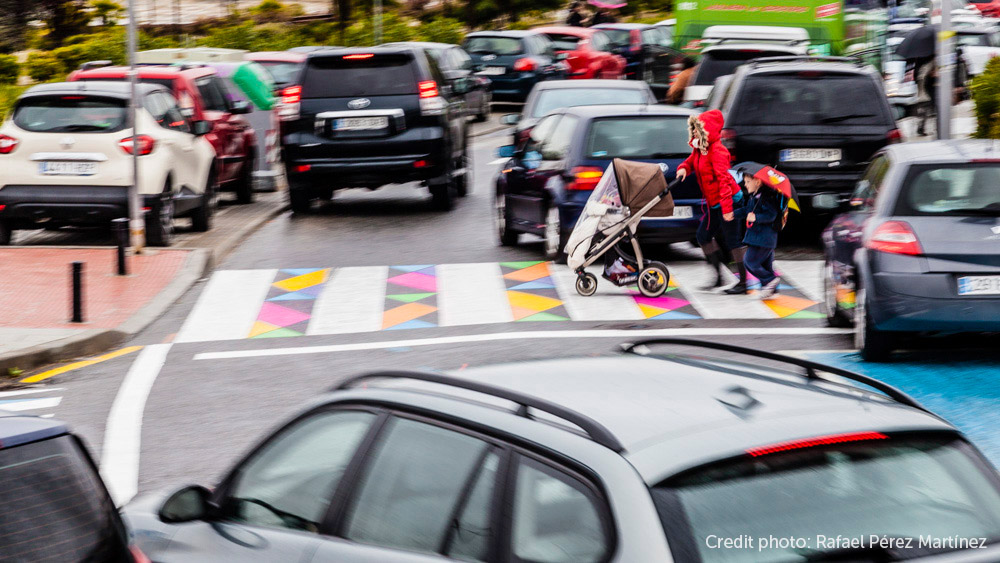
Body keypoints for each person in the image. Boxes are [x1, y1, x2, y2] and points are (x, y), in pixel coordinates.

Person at [675, 110, 741, 290]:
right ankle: (719, 276)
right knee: (702, 236)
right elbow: (690, 161)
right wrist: (683, 169)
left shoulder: (718, 152)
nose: (695, 133)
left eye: (698, 129)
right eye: (693, 129)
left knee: (732, 240)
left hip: (728, 201)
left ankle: (743, 281)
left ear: (708, 130)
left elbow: (724, 182)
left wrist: (727, 210)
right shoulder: (700, 149)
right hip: (714, 203)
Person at [733, 168, 786, 300]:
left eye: (747, 181)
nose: (745, 184)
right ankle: (772, 290)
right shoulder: (754, 196)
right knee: (765, 265)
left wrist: (756, 218)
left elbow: (771, 215)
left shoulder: (767, 196)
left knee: (749, 262)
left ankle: (769, 280)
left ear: (757, 181)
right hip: (760, 238)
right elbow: (747, 210)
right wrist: (734, 214)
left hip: (763, 238)